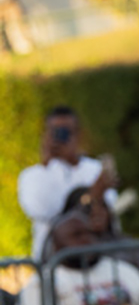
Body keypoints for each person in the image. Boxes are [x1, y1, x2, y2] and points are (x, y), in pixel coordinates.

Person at [17, 107, 119, 260]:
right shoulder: (32, 175)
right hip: (54, 260)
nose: (61, 138)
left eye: (66, 132)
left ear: (79, 135)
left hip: (98, 258)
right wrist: (47, 164)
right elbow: (42, 210)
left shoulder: (95, 169)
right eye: (55, 132)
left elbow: (111, 206)